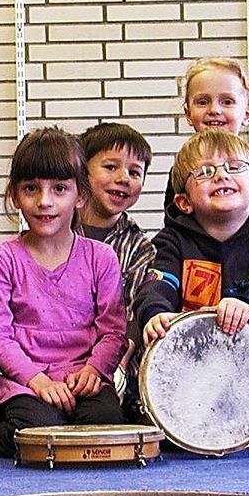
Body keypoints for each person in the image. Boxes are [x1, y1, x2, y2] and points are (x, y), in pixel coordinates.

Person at [134, 129, 249, 449]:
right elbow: (158, 282)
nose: (220, 176)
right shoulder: (172, 242)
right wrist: (155, 313)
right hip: (198, 367)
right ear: (184, 202)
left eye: (234, 167)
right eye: (204, 172)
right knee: (161, 431)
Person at [0, 127, 127, 458]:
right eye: (31, 188)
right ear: (15, 195)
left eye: (59, 189)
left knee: (105, 424)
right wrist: (38, 381)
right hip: (27, 382)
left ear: (80, 196)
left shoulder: (100, 257)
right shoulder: (4, 257)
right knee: (35, 434)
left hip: (84, 378)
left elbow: (113, 330)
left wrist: (95, 370)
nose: (44, 201)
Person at [79, 122, 155, 410]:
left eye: (134, 172)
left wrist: (116, 367)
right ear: (82, 170)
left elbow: (135, 315)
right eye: (111, 167)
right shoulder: (56, 237)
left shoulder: (141, 248)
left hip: (117, 364)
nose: (123, 178)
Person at [164, 57, 249, 220]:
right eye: (202, 102)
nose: (214, 109)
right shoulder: (181, 173)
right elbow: (174, 232)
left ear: (247, 113)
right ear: (188, 114)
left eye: (227, 102)